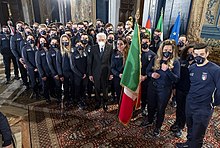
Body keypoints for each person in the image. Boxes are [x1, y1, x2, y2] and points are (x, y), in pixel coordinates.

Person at [176, 43, 220, 148]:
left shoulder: (215, 70)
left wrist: (214, 103)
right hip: (190, 104)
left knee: (197, 134)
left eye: (201, 54)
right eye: (196, 54)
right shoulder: (192, 68)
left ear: (207, 54)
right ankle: (188, 143)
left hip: (203, 107)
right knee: (190, 128)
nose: (198, 57)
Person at [146, 39, 180, 137]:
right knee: (151, 105)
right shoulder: (156, 58)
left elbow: (177, 79)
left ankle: (158, 127)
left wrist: (168, 71)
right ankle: (149, 120)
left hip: (164, 89)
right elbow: (147, 71)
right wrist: (152, 74)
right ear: (162, 50)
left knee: (161, 109)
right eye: (165, 49)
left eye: (170, 50)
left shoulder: (176, 62)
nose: (167, 52)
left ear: (173, 51)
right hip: (152, 87)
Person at [170, 44, 195, 138]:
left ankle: (181, 126)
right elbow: (177, 77)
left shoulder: (197, 65)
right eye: (188, 52)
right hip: (180, 89)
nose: (190, 54)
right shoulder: (181, 62)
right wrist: (174, 89)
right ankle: (177, 122)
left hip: (190, 91)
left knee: (185, 109)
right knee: (179, 108)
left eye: (192, 52)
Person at [89, 32, 113, 111]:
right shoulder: (93, 48)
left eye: (103, 39)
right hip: (95, 72)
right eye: (99, 40)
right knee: (97, 88)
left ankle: (105, 102)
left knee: (105, 88)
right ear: (96, 40)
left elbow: (111, 61)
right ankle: (97, 102)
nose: (101, 41)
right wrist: (90, 74)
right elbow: (90, 62)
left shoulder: (110, 47)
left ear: (106, 40)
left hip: (106, 72)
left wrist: (111, 73)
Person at [139, 34, 156, 125]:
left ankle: (143, 107)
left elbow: (153, 68)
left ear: (149, 42)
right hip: (137, 77)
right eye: (143, 42)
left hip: (147, 78)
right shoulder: (137, 53)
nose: (144, 43)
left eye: (146, 42)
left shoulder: (153, 55)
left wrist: (145, 76)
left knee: (145, 94)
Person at [56, 34, 75, 107]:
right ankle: (66, 100)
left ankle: (73, 98)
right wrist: (60, 74)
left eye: (66, 40)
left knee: (73, 86)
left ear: (69, 41)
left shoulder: (72, 50)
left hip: (73, 71)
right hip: (64, 72)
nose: (65, 42)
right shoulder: (59, 51)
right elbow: (58, 64)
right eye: (63, 41)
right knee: (66, 87)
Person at [10, 21, 29, 89]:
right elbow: (13, 49)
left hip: (29, 56)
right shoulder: (14, 37)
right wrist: (18, 58)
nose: (20, 27)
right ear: (16, 28)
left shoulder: (28, 35)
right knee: (23, 71)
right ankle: (26, 83)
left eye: (21, 26)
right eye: (18, 26)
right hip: (20, 57)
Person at [70, 40, 88, 109]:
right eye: (77, 44)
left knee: (83, 88)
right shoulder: (73, 54)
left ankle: (83, 99)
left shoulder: (85, 53)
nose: (79, 45)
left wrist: (86, 73)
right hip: (77, 75)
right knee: (77, 88)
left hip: (85, 74)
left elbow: (87, 63)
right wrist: (80, 75)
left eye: (80, 44)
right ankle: (77, 100)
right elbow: (73, 66)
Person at [111, 38, 129, 103]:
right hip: (118, 77)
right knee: (119, 94)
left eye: (121, 44)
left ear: (125, 45)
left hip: (127, 77)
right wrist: (118, 74)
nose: (119, 46)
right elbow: (112, 68)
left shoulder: (129, 54)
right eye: (118, 44)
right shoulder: (114, 54)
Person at [22, 34, 39, 99]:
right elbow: (25, 60)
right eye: (29, 38)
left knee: (40, 81)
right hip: (31, 68)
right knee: (33, 81)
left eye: (32, 38)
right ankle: (35, 92)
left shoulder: (36, 47)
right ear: (26, 40)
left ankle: (40, 92)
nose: (30, 40)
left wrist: (37, 67)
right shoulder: (24, 48)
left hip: (38, 67)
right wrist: (33, 68)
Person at [36, 36, 52, 103]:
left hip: (51, 71)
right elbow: (38, 64)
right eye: (41, 41)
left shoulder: (50, 50)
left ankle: (52, 94)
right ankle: (47, 97)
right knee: (45, 86)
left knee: (51, 84)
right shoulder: (38, 52)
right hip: (44, 72)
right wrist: (42, 74)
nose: (43, 42)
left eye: (44, 41)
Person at [46, 38, 62, 104]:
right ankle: (58, 98)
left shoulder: (61, 50)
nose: (54, 44)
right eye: (53, 42)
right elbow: (50, 64)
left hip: (62, 71)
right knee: (57, 85)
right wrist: (55, 73)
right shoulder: (49, 52)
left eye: (56, 42)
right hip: (55, 72)